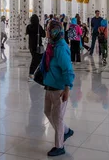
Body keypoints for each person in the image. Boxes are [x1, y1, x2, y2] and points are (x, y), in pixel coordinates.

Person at [41, 20, 75, 157]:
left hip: (59, 89)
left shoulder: (60, 48)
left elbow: (68, 69)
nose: (48, 32)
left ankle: (59, 146)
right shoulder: (52, 46)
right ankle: (66, 131)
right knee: (47, 111)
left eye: (50, 30)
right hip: (49, 86)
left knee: (58, 118)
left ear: (56, 31)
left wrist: (67, 88)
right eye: (48, 29)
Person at [26, 14, 45, 81]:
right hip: (38, 46)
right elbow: (44, 35)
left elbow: (27, 33)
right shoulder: (38, 27)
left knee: (36, 59)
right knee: (36, 60)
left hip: (31, 46)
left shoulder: (28, 27)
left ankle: (35, 74)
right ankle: (31, 74)